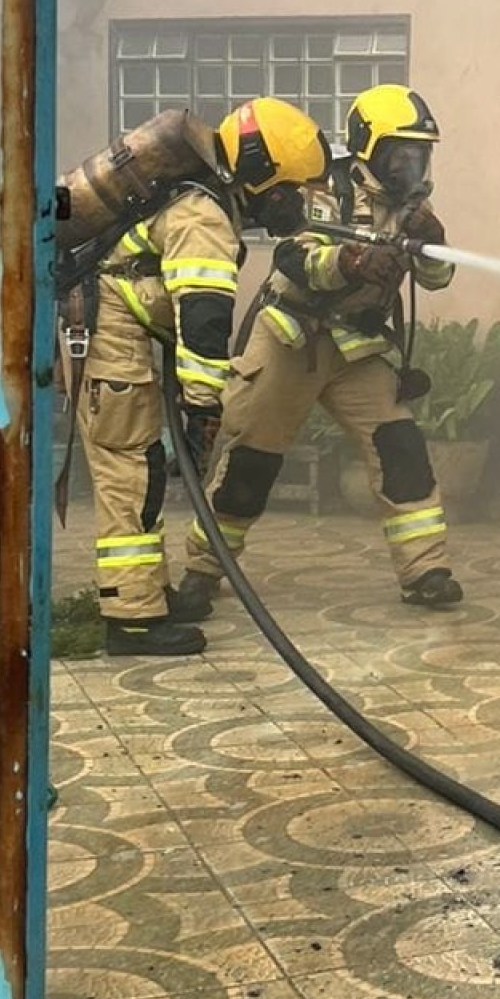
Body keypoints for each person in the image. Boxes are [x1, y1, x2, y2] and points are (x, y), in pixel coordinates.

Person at [173, 84, 462, 617]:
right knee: (248, 465)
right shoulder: (317, 185)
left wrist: (435, 241)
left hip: (358, 347)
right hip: (290, 339)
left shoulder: (414, 207)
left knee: (401, 450)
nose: (410, 166)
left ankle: (426, 569)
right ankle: (203, 568)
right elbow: (293, 257)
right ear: (368, 147)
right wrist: (347, 264)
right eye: (400, 153)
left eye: (418, 155)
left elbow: (437, 279)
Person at [81, 97, 330, 656]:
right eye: (292, 190)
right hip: (114, 349)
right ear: (263, 173)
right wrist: (203, 404)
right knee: (130, 474)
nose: (294, 205)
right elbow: (205, 316)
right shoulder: (205, 217)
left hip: (122, 342)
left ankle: (142, 598)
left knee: (136, 470)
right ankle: (132, 619)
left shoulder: (200, 201)